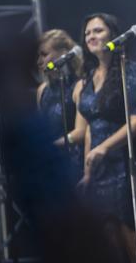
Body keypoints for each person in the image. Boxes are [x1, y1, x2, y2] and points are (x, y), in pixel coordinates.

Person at [76, 13, 136, 263]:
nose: (91, 37)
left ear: (112, 35)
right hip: (99, 171)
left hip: (124, 165)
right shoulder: (88, 78)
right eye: (87, 33)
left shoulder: (129, 71)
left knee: (133, 244)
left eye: (98, 31)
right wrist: (87, 171)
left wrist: (104, 148)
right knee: (110, 247)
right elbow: (89, 127)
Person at [36, 29, 85, 180]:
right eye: (38, 56)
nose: (39, 61)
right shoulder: (42, 90)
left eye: (44, 54)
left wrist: (53, 145)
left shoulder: (79, 85)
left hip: (76, 161)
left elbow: (81, 131)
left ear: (63, 53)